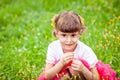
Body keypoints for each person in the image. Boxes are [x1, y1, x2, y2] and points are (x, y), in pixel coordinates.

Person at [38, 11, 117, 80]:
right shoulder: (53, 47)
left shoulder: (85, 51)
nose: (68, 41)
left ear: (80, 33)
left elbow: (96, 78)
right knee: (65, 73)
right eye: (63, 35)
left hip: (81, 76)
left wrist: (83, 69)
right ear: (56, 33)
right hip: (60, 76)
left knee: (75, 68)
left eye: (73, 35)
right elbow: (47, 76)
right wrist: (61, 63)